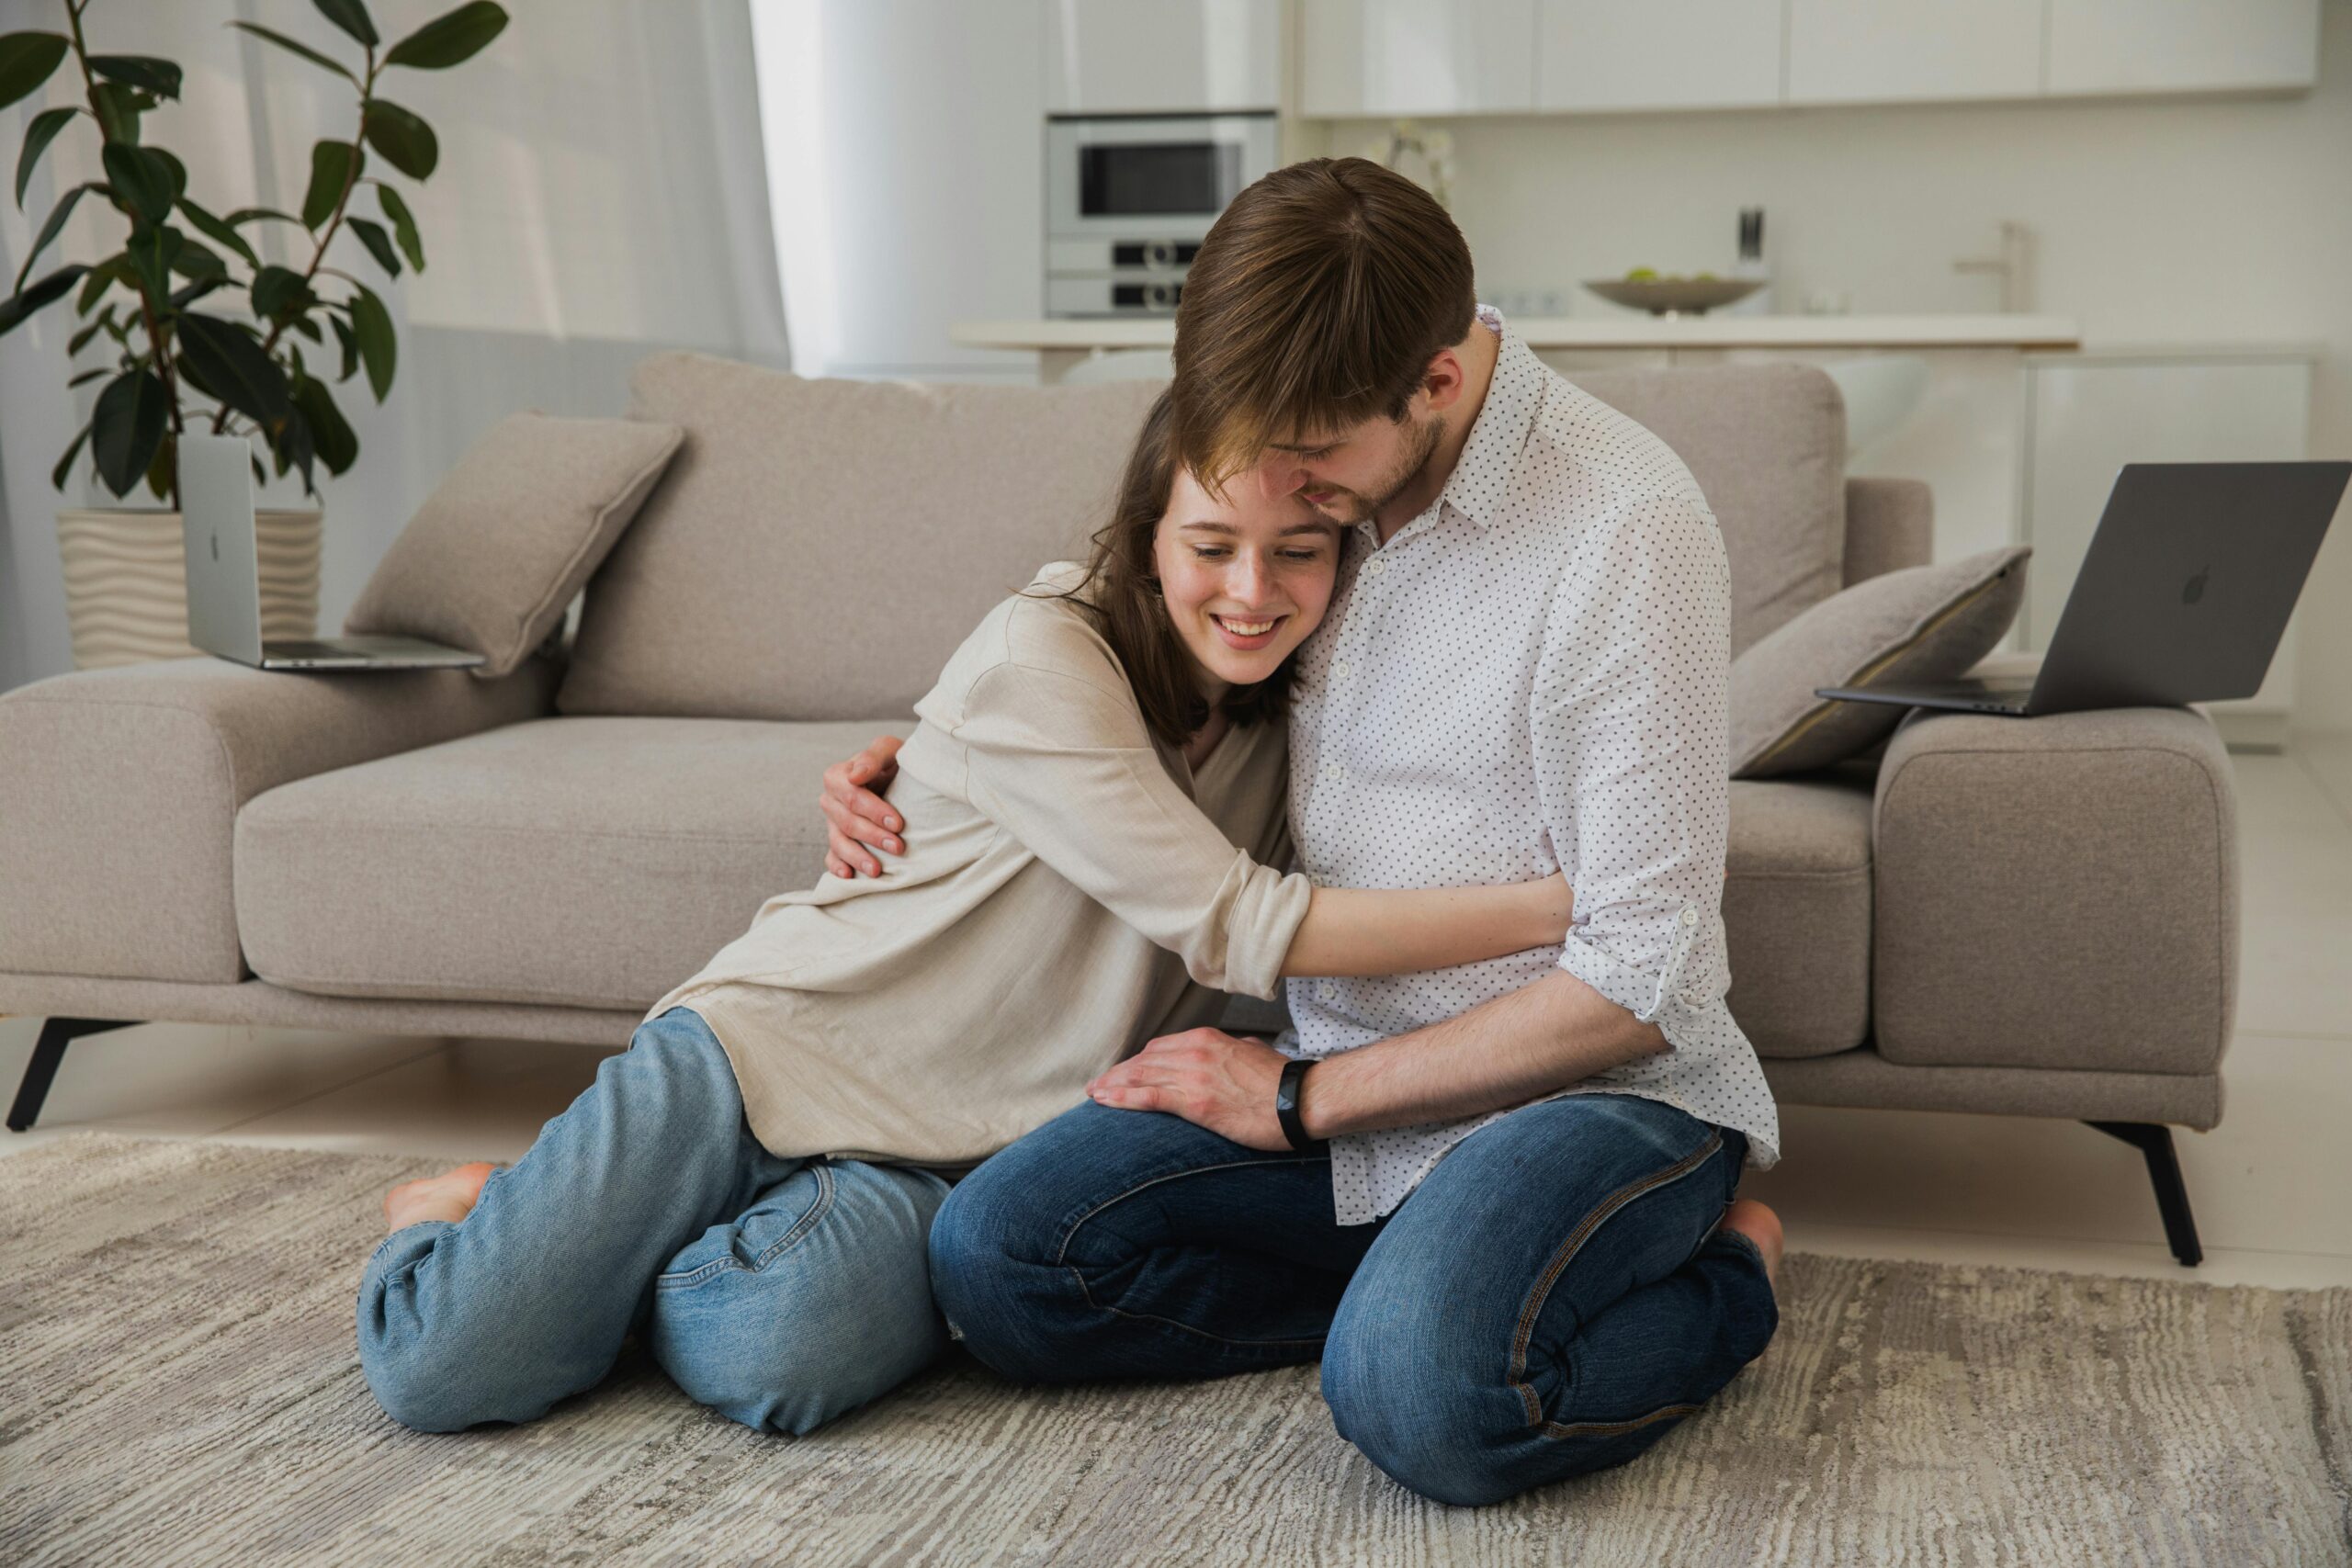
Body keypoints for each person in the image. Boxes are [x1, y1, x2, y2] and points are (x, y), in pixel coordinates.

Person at [819, 157, 1786, 1506]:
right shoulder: (1312, 470)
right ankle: (1413, 1299)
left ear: (1438, 383)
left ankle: (1729, 1269)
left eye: (1314, 463)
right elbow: (1124, 625)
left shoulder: (1624, 527)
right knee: (1002, 1264)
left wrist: (1295, 1101)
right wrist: (924, 756)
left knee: (1426, 1408)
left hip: (1586, 1102)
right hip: (1340, 1071)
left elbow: (1642, 976)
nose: (1278, 489)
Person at [356, 389, 1583, 1438]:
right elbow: (1233, 924)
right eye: (1211, 545)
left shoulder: (1310, 716)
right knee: (446, 1366)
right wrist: (1570, 909)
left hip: (957, 1154)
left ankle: (579, 1243)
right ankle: (462, 1212)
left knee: (770, 1355)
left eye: (1300, 549)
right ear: (1147, 538)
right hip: (773, 1049)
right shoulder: (1046, 651)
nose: (1252, 588)